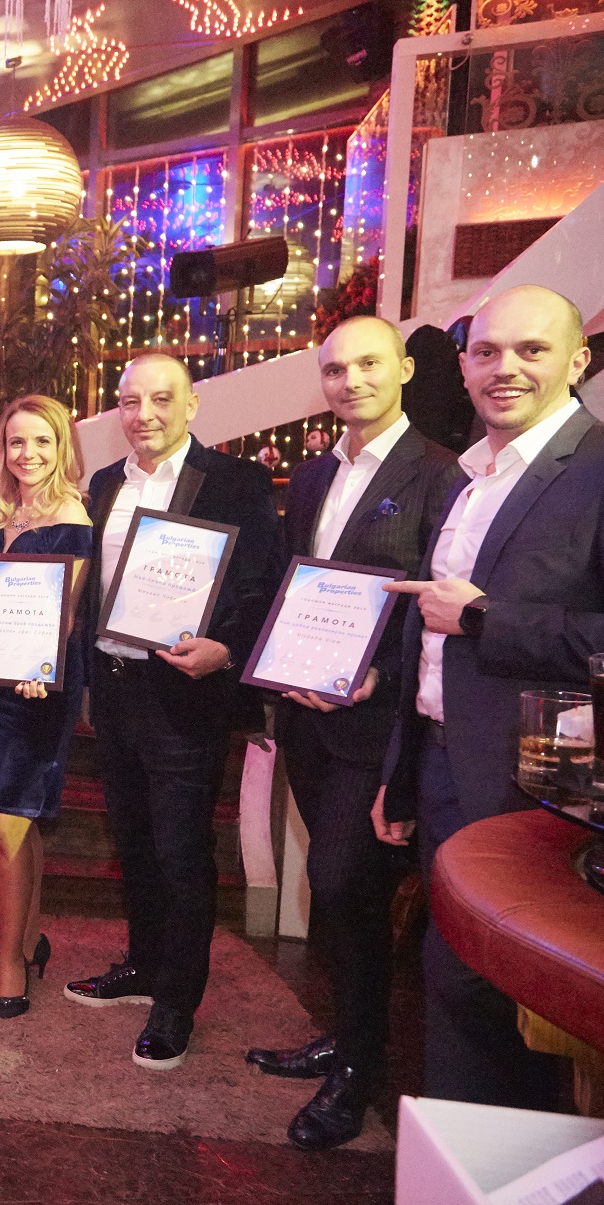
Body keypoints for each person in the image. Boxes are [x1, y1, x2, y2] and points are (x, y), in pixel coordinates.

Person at [377, 284, 603, 1110]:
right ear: (464, 368)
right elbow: (427, 635)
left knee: (506, 1000)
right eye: (486, 352)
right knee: (454, 983)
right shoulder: (470, 477)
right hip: (445, 765)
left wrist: (483, 617)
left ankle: (508, 1179)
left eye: (531, 349)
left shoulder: (597, 467)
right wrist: (402, 771)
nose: (505, 367)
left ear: (577, 360)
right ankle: (461, 1166)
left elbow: (470, 618)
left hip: (539, 790)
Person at [243, 316, 457, 1150]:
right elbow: (294, 584)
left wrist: (379, 679)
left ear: (402, 368)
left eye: (369, 363)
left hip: (378, 727)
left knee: (342, 885)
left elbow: (434, 608)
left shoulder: (441, 474)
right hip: (308, 715)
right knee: (338, 897)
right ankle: (344, 1036)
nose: (351, 380)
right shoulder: (311, 475)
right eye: (335, 369)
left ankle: (361, 1067)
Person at [61, 352, 282, 1070]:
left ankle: (177, 1000)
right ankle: (144, 963)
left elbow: (263, 587)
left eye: (161, 400)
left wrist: (227, 647)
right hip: (115, 687)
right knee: (131, 840)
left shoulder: (236, 483)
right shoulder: (103, 484)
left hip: (185, 693)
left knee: (182, 851)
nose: (144, 414)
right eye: (131, 401)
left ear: (191, 406)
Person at [0, 395, 92, 1016]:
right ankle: (29, 939)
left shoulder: (72, 515)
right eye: (17, 441)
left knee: (5, 823)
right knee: (21, 816)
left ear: (62, 447)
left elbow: (66, 612)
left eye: (42, 441)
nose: (28, 453)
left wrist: (41, 662)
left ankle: (11, 960)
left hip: (41, 688)